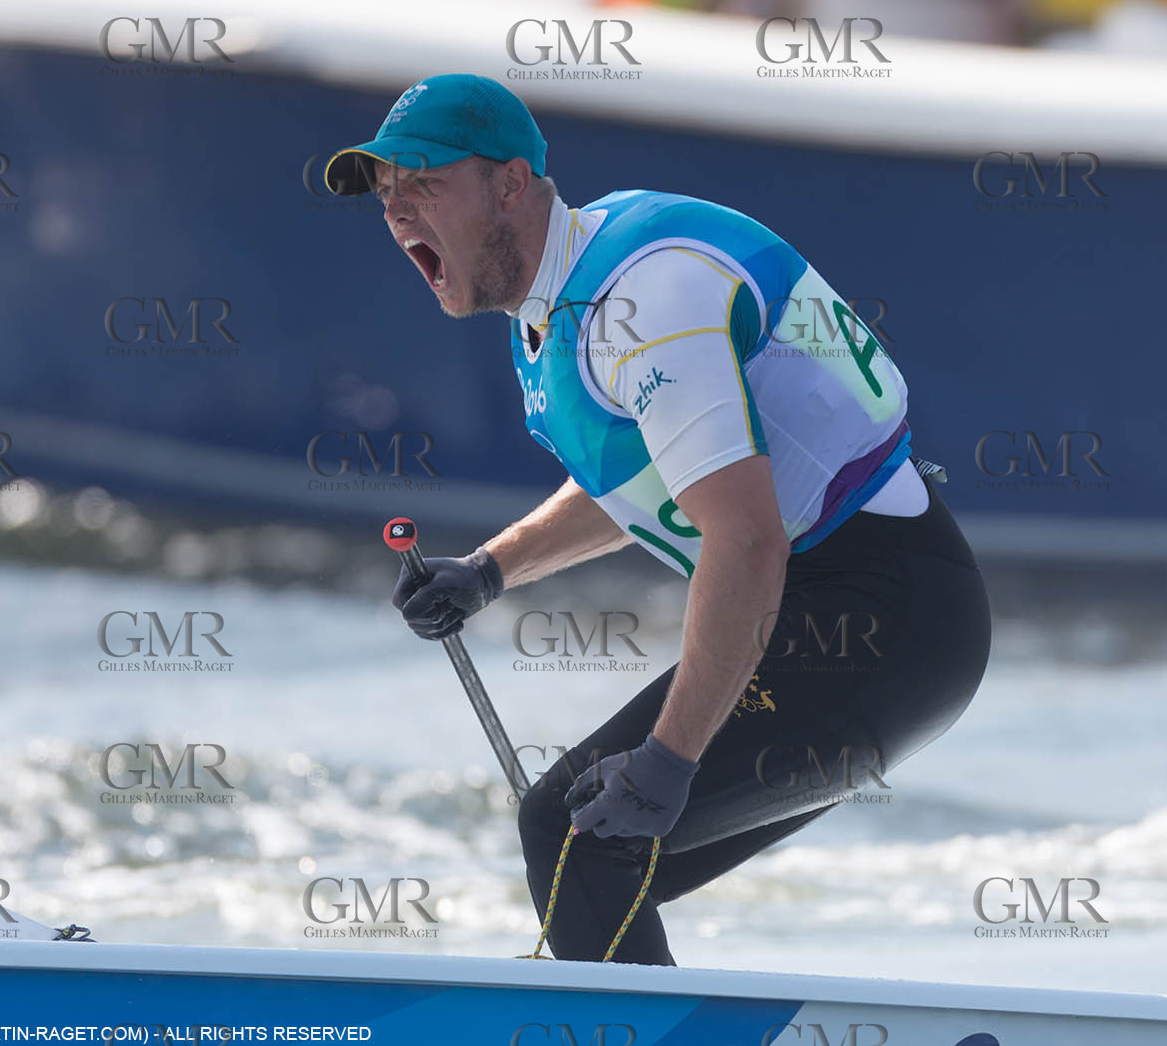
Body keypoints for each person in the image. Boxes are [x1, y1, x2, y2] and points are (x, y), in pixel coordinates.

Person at [323, 74, 991, 965]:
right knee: (590, 854)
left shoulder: (642, 302)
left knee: (575, 834)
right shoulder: (567, 291)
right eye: (384, 191)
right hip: (845, 606)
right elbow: (655, 476)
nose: (398, 209)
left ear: (511, 185)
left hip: (886, 618)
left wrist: (670, 761)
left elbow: (746, 537)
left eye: (424, 183)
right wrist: (489, 568)